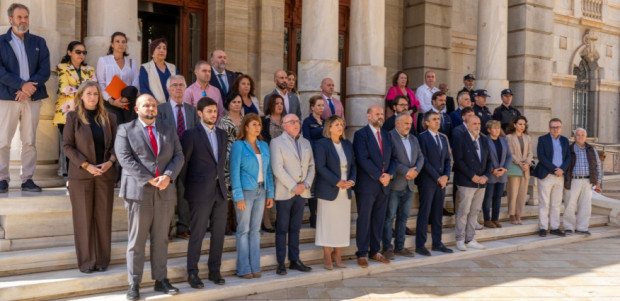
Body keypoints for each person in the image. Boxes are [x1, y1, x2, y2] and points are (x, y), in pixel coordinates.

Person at [115, 94, 184, 300]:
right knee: (137, 240)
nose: (151, 108)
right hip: (139, 192)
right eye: (146, 105)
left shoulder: (168, 129)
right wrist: (148, 179)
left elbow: (179, 156)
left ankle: (160, 279)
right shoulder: (125, 130)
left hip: (164, 191)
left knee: (161, 239)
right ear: (137, 109)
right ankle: (134, 282)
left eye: (153, 105)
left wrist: (168, 176)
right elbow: (125, 158)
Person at [62, 81, 117, 273]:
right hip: (81, 176)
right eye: (89, 94)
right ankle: (86, 262)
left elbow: (117, 146)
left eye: (96, 94)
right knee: (83, 220)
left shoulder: (110, 118)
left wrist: (110, 162)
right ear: (81, 96)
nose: (93, 97)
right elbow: (67, 146)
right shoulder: (73, 117)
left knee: (103, 219)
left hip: (105, 175)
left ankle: (102, 261)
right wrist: (86, 165)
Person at [0, 3, 50, 193]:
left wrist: (28, 89)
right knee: (3, 140)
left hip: (32, 98)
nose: (23, 20)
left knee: (29, 140)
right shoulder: (0, 42)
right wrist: (21, 85)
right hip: (6, 97)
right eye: (19, 17)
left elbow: (44, 70)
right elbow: (0, 71)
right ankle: (2, 178)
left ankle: (27, 179)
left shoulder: (39, 42)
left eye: (26, 17)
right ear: (10, 19)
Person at [183, 97, 228, 288]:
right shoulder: (190, 135)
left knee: (219, 234)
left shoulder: (222, 134)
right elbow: (184, 166)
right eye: (209, 111)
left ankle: (214, 270)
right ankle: (192, 272)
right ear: (199, 113)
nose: (213, 114)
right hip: (199, 192)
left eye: (215, 110)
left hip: (220, 191)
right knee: (198, 233)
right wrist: (190, 190)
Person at [230, 113, 275, 279]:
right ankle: (243, 268)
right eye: (254, 124)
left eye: (259, 125)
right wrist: (238, 196)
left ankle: (255, 266)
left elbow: (268, 171)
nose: (258, 127)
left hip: (261, 191)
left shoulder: (263, 145)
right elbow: (234, 172)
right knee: (243, 230)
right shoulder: (238, 146)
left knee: (255, 230)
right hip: (245, 192)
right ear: (246, 127)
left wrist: (270, 193)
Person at [270, 114, 315, 275]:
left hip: (302, 192)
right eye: (292, 122)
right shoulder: (276, 143)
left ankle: (295, 260)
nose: (296, 124)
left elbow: (311, 166)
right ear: (284, 125)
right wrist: (293, 186)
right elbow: (277, 168)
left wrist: (306, 184)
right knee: (282, 228)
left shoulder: (306, 143)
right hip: (286, 192)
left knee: (295, 228)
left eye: (297, 121)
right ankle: (281, 262)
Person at [156, 75, 199, 240]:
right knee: (167, 195)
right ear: (168, 89)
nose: (178, 88)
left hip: (187, 158)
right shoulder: (161, 109)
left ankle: (183, 227)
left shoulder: (192, 110)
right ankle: (166, 229)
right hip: (168, 159)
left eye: (181, 85)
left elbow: (196, 134)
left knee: (185, 194)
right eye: (174, 85)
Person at [353, 105, 395, 267]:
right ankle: (362, 253)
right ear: (368, 116)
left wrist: (389, 175)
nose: (380, 116)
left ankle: (375, 251)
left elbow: (394, 158)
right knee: (364, 219)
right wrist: (379, 175)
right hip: (367, 185)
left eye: (381, 114)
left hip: (384, 185)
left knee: (378, 219)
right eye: (377, 114)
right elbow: (363, 159)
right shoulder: (360, 135)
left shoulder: (387, 135)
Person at [314, 115, 356, 269]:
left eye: (341, 124)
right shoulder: (322, 144)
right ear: (329, 128)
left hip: (345, 191)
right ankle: (327, 255)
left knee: (341, 224)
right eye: (336, 124)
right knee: (327, 223)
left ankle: (337, 254)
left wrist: (351, 181)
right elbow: (321, 167)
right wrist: (337, 182)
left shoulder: (347, 144)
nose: (340, 127)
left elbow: (353, 166)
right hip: (329, 189)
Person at [381, 113, 424, 260]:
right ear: (397, 123)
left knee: (403, 217)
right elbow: (390, 160)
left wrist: (416, 171)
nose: (408, 126)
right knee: (389, 217)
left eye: (410, 123)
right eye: (405, 123)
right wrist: (407, 171)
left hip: (410, 184)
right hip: (395, 184)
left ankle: (400, 246)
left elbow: (420, 157)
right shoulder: (389, 137)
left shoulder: (413, 138)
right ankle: (387, 247)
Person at [54, 41, 97, 177]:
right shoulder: (62, 67)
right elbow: (64, 88)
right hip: (66, 112)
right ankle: (67, 175)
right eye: (78, 52)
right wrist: (85, 90)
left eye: (84, 52)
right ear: (69, 52)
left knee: (83, 145)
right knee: (67, 145)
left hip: (86, 112)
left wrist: (78, 90)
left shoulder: (90, 70)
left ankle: (82, 172)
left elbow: (95, 89)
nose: (81, 55)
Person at [415, 111, 453, 256]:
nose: (438, 121)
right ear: (427, 122)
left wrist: (446, 176)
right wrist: (438, 177)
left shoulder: (443, 138)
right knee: (425, 213)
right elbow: (423, 160)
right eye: (434, 119)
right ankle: (420, 244)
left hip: (441, 182)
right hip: (428, 180)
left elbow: (448, 160)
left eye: (439, 119)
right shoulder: (422, 137)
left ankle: (437, 242)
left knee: (438, 213)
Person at [452, 115, 491, 251]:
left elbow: (489, 160)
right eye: (474, 123)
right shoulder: (460, 138)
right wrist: (472, 175)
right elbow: (458, 160)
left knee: (475, 211)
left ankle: (470, 238)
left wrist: (486, 176)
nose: (477, 126)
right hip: (465, 181)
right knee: (463, 211)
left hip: (481, 182)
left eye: (479, 123)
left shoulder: (484, 139)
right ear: (467, 125)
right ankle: (459, 239)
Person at [533, 118, 570, 237]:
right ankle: (543, 227)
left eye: (558, 127)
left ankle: (555, 227)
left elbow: (568, 157)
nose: (555, 129)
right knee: (544, 203)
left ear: (561, 128)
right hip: (546, 175)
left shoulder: (564, 140)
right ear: (549, 128)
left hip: (560, 176)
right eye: (553, 127)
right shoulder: (542, 139)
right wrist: (555, 169)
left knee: (556, 203)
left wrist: (562, 169)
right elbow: (541, 156)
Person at [563, 128, 602, 236]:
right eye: (578, 135)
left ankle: (582, 227)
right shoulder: (569, 149)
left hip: (588, 181)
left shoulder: (591, 149)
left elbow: (598, 166)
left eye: (582, 135)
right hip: (573, 180)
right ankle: (569, 227)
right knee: (570, 204)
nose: (580, 136)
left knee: (585, 205)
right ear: (574, 137)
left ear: (586, 137)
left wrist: (597, 182)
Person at [96, 32, 139, 124]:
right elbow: (101, 83)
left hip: (128, 102)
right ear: (112, 44)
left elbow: (135, 83)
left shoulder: (131, 62)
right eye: (117, 41)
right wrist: (111, 101)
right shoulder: (103, 60)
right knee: (117, 129)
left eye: (123, 42)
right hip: (110, 102)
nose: (121, 44)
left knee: (129, 127)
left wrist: (125, 99)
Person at [218, 93, 244, 235]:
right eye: (234, 101)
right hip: (227, 158)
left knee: (240, 188)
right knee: (228, 190)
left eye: (239, 101)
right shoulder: (223, 121)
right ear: (228, 104)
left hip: (243, 159)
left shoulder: (245, 120)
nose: (237, 104)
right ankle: (227, 224)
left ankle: (238, 222)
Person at [482, 120, 511, 228]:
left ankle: (495, 219)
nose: (497, 130)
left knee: (498, 197)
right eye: (494, 128)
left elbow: (509, 156)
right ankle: (487, 219)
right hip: (490, 173)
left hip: (502, 173)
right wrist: (492, 170)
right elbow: (484, 158)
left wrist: (504, 169)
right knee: (488, 197)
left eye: (498, 128)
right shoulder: (485, 140)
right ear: (489, 130)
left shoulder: (504, 140)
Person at [302, 95, 325, 228]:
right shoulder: (307, 122)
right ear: (312, 107)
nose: (321, 108)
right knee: (314, 187)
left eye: (323, 105)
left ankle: (322, 215)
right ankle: (313, 216)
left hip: (325, 158)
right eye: (318, 105)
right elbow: (307, 140)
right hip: (314, 157)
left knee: (322, 187)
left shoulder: (326, 121)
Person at [505, 116, 533, 225]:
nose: (522, 126)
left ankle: (518, 214)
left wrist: (527, 162)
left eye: (524, 124)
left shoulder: (528, 138)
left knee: (522, 193)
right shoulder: (509, 137)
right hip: (514, 167)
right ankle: (512, 214)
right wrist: (520, 163)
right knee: (513, 192)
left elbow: (530, 152)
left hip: (525, 169)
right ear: (514, 125)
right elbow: (510, 153)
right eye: (520, 124)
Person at [139, 38, 177, 104]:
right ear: (152, 51)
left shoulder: (172, 67)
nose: (162, 50)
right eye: (159, 48)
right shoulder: (145, 68)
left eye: (164, 48)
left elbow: (178, 84)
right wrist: (154, 102)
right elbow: (144, 88)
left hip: (172, 104)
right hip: (154, 105)